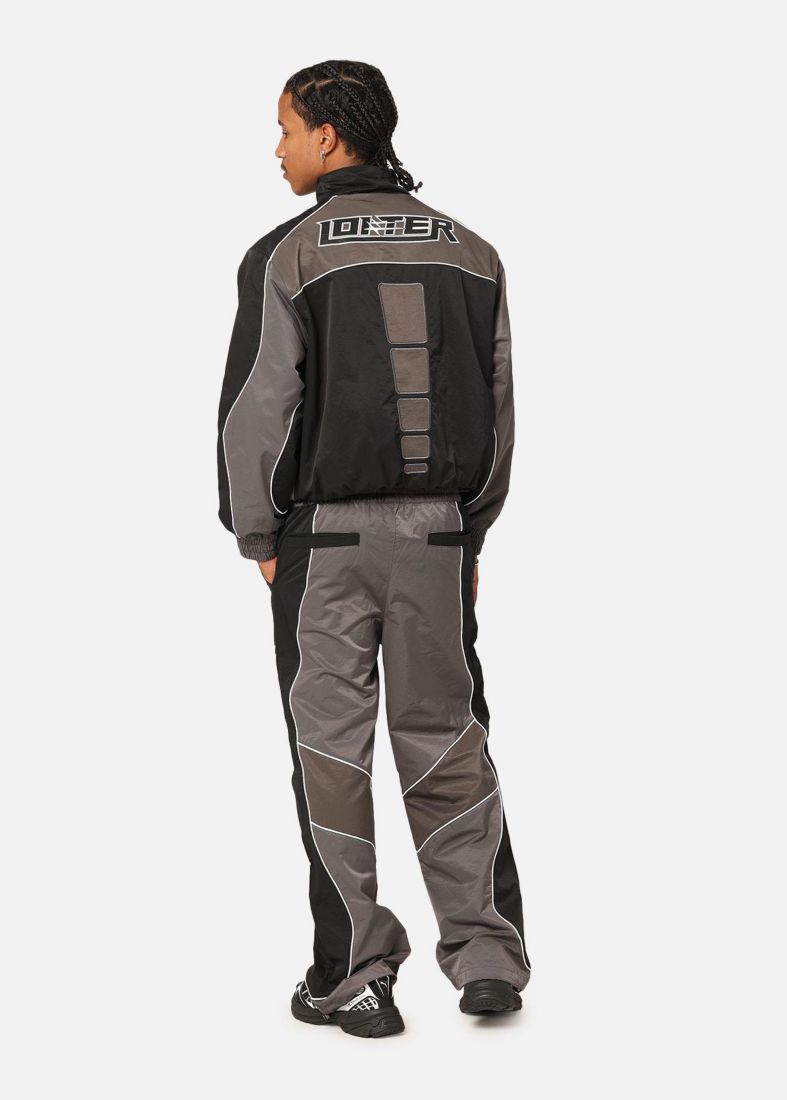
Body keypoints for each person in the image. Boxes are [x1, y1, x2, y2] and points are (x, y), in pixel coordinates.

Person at [216, 59, 531, 1039]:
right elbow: (500, 409)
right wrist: (467, 531)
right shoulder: (473, 252)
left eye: (285, 129)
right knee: (450, 737)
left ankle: (354, 975)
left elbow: (256, 408)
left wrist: (257, 530)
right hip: (438, 533)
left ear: (328, 136)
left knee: (329, 751)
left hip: (327, 541)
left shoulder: (287, 253)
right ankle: (488, 958)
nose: (277, 148)